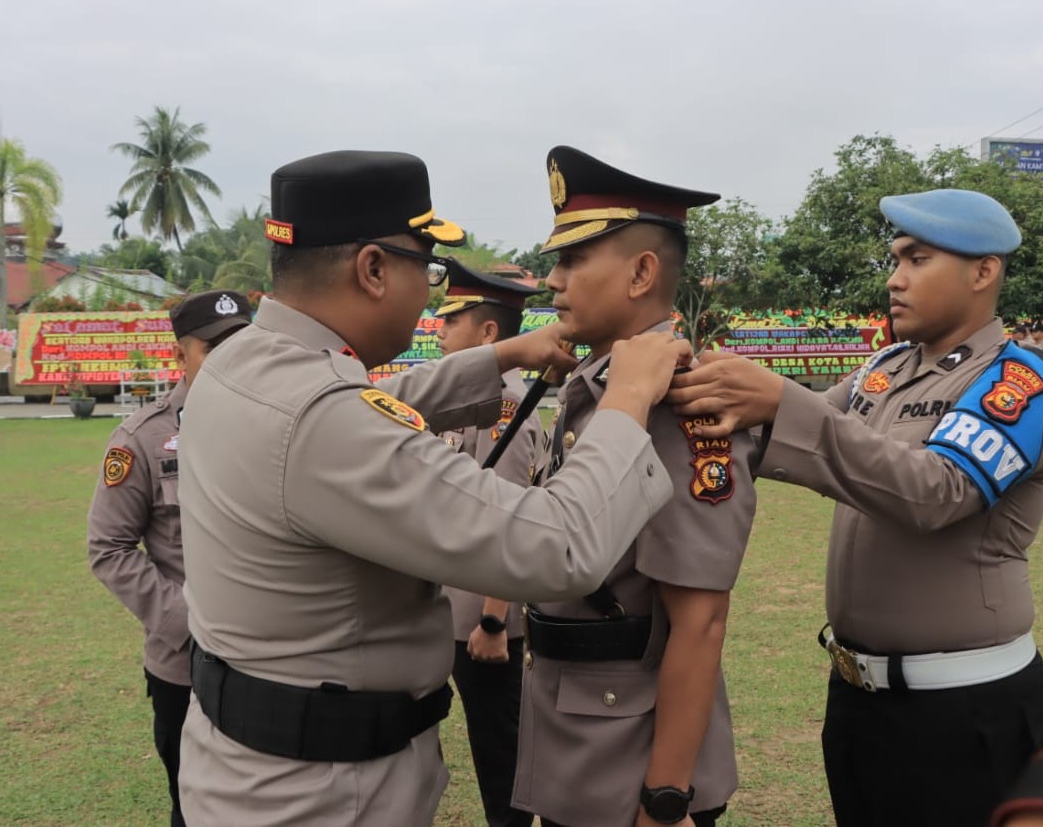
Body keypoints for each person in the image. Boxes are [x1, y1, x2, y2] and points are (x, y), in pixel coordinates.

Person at [175, 150, 693, 826]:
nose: (432, 291)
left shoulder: (241, 358)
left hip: (248, 767)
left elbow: (368, 401)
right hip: (322, 798)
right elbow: (555, 546)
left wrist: (505, 353)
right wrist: (627, 395)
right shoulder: (321, 418)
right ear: (373, 268)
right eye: (430, 267)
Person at [667, 188, 1043, 827]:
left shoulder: (1019, 380)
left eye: (918, 259)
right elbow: (794, 441)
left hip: (964, 711)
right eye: (895, 260)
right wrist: (696, 395)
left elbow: (940, 491)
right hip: (859, 698)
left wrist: (781, 401)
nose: (895, 278)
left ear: (983, 271)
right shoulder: (885, 370)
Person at [511, 146, 758, 827]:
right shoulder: (599, 386)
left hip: (635, 765)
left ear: (642, 272)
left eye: (572, 260)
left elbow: (700, 621)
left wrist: (666, 797)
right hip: (581, 734)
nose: (553, 280)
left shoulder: (681, 399)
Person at [87, 289, 253, 827]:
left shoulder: (277, 422)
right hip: (186, 668)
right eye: (214, 348)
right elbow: (109, 548)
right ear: (180, 357)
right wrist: (191, 623)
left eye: (243, 344)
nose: (233, 358)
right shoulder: (142, 439)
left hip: (273, 663)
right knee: (196, 808)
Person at [434, 260, 541, 827]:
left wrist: (496, 623)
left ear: (488, 333)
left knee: (504, 766)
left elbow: (510, 522)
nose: (438, 330)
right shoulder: (467, 399)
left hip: (484, 624)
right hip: (451, 614)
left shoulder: (506, 408)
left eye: (451, 320)